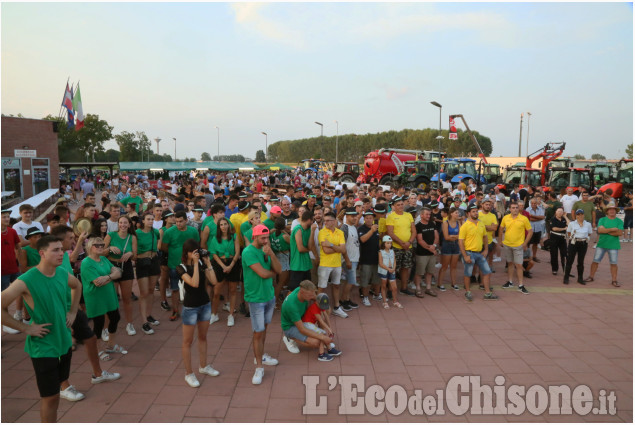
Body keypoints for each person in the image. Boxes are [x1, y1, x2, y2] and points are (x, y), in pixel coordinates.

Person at [1, 235, 82, 422]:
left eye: (62, 249)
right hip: (43, 346)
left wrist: (72, 312)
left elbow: (76, 285)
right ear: (42, 253)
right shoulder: (26, 280)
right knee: (50, 397)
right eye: (56, 250)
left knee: (56, 395)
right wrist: (25, 328)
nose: (61, 253)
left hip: (63, 342)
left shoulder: (61, 272)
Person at [49, 226, 121, 402]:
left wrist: (74, 309)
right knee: (63, 348)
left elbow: (76, 284)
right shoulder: (43, 269)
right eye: (70, 238)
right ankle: (63, 386)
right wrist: (26, 326)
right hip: (57, 310)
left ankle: (98, 374)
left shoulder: (65, 257)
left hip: (71, 309)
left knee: (89, 338)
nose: (73, 241)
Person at [242, 224, 282, 385]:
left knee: (264, 329)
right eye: (263, 238)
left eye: (267, 238)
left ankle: (262, 356)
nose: (266, 241)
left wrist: (271, 254)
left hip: (269, 296)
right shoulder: (248, 252)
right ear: (255, 237)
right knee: (258, 332)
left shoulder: (266, 250)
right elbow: (264, 273)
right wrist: (272, 274)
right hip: (256, 298)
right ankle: (258, 366)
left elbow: (279, 269)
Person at [178, 239, 220, 387]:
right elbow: (194, 283)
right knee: (187, 341)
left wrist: (208, 263)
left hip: (205, 304)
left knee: (203, 337)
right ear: (187, 253)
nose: (196, 254)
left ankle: (203, 366)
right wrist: (196, 264)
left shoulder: (202, 263)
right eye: (193, 251)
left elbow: (214, 281)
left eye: (197, 251)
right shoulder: (181, 267)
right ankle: (188, 373)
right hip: (190, 308)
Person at [81, 237, 128, 359]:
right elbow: (97, 282)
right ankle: (98, 349)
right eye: (97, 245)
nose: (101, 247)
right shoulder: (86, 262)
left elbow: (118, 272)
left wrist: (107, 277)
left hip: (108, 295)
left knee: (115, 317)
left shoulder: (103, 259)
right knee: (99, 324)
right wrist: (112, 276)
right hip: (95, 297)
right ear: (90, 247)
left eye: (102, 245)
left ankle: (111, 345)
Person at [280, 280, 338, 361]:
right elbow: (302, 329)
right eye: (310, 295)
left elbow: (317, 300)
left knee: (325, 310)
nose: (312, 297)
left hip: (302, 320)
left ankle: (323, 339)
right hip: (290, 327)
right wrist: (323, 337)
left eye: (313, 294)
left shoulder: (303, 290)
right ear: (302, 292)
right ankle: (289, 338)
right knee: (316, 342)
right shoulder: (292, 306)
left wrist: (328, 326)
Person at [161, 211, 200, 321]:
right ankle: (175, 310)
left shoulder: (193, 231)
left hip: (189, 265)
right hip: (174, 265)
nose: (178, 224)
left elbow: (197, 245)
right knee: (174, 289)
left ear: (186, 220)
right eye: (176, 221)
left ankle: (192, 310)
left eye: (181, 221)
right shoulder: (169, 232)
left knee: (192, 288)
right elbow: (164, 247)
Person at [104, 216, 137, 336]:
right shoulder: (111, 235)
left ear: (129, 225)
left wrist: (130, 253)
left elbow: (135, 256)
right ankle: (106, 327)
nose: (123, 225)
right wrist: (109, 248)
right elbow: (100, 252)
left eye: (125, 223)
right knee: (111, 299)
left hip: (126, 267)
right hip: (111, 266)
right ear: (118, 224)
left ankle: (130, 323)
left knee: (127, 298)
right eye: (121, 223)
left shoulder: (132, 237)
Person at [458, 205, 498, 302]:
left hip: (479, 253)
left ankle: (487, 293)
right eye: (473, 211)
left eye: (476, 211)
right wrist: (465, 256)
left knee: (487, 272)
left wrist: (486, 250)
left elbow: (485, 237)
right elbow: (460, 242)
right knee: (468, 273)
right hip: (469, 253)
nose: (475, 213)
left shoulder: (481, 224)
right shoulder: (465, 226)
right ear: (468, 213)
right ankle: (468, 292)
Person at [209, 217, 241, 327]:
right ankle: (214, 314)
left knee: (232, 290)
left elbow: (237, 252)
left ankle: (231, 315)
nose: (223, 226)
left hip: (233, 263)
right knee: (217, 291)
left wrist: (231, 265)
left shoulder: (234, 236)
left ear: (229, 225)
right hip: (220, 264)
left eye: (225, 224)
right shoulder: (215, 238)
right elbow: (214, 254)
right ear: (219, 227)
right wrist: (223, 266)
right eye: (221, 225)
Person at [585, 203, 624, 287]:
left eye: (613, 209)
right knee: (595, 261)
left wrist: (606, 230)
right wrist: (613, 230)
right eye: (610, 209)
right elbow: (600, 231)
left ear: (615, 211)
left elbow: (620, 233)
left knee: (613, 263)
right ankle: (591, 276)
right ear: (607, 211)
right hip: (601, 244)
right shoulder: (602, 219)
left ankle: (614, 280)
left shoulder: (619, 221)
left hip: (614, 245)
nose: (612, 211)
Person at [317, 212, 348, 318]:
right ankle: (318, 309)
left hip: (337, 264)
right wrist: (337, 248)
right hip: (325, 264)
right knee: (322, 287)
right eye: (324, 220)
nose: (325, 222)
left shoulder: (340, 232)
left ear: (334, 221)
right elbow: (325, 251)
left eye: (328, 220)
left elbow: (343, 249)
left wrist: (331, 245)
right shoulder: (322, 232)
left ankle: (336, 307)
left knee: (336, 285)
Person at [499, 202, 533, 295]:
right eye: (513, 208)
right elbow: (501, 228)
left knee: (518, 265)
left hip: (518, 245)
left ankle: (521, 285)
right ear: (509, 209)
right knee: (510, 263)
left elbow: (530, 231)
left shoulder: (524, 218)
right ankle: (510, 282)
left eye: (517, 207)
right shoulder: (505, 218)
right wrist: (500, 240)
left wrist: (525, 243)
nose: (515, 209)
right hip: (507, 244)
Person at [135, 213, 161, 335]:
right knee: (144, 292)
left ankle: (149, 315)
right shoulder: (137, 233)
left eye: (152, 219)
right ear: (143, 221)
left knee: (151, 290)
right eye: (148, 219)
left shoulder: (155, 232)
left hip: (154, 261)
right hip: (142, 262)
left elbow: (158, 246)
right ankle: (144, 321)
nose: (151, 221)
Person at [386, 197, 416, 297]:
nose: (400, 206)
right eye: (398, 205)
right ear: (393, 206)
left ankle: (404, 288)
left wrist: (409, 242)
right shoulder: (391, 217)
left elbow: (414, 231)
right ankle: (390, 290)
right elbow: (390, 233)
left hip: (408, 246)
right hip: (396, 247)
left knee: (405, 268)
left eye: (401, 204)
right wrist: (402, 243)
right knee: (393, 268)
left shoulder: (408, 215)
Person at [1, 208, 22, 334]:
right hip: (1, 272)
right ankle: (5, 324)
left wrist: (18, 262)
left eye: (8, 216)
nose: (7, 219)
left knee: (23, 291)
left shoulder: (12, 231)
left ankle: (20, 315)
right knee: (3, 300)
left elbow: (18, 247)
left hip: (14, 269)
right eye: (3, 216)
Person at [339, 208, 361, 311]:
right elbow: (342, 246)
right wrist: (347, 260)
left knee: (349, 281)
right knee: (351, 281)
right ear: (346, 216)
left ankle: (347, 299)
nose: (355, 217)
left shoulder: (353, 227)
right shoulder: (344, 228)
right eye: (352, 216)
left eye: (355, 215)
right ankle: (343, 301)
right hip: (349, 259)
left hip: (354, 258)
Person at [564, 209, 593, 285]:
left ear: (584, 215)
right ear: (576, 215)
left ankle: (580, 278)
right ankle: (566, 277)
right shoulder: (572, 224)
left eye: (581, 214)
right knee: (570, 260)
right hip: (574, 243)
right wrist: (573, 238)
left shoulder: (588, 224)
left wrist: (587, 239)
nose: (580, 216)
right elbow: (569, 233)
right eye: (578, 214)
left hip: (583, 243)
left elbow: (590, 233)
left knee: (581, 261)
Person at [289, 211, 316, 292]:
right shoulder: (298, 229)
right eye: (312, 220)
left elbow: (310, 246)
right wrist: (309, 249)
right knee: (294, 290)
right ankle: (288, 304)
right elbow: (300, 248)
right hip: (297, 265)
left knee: (307, 290)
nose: (313, 223)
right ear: (309, 220)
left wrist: (312, 232)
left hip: (306, 265)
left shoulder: (309, 230)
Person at [414, 208, 438, 298]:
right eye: (427, 214)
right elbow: (420, 240)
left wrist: (434, 246)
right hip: (422, 253)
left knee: (430, 272)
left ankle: (428, 288)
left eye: (429, 214)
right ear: (422, 215)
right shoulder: (418, 226)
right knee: (419, 272)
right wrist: (431, 248)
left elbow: (436, 236)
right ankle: (418, 288)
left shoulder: (432, 223)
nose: (429, 216)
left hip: (432, 252)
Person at [357, 210, 380, 305]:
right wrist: (372, 230)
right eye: (367, 218)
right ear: (364, 219)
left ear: (373, 219)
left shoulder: (377, 228)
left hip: (377, 258)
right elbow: (363, 239)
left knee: (377, 279)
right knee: (365, 279)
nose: (369, 219)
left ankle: (376, 294)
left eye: (371, 218)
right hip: (365, 259)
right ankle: (365, 297)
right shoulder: (361, 229)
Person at [437, 207, 461, 291]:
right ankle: (440, 283)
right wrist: (456, 237)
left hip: (455, 246)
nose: (458, 214)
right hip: (447, 245)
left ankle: (454, 283)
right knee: (444, 266)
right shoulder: (445, 223)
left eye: (458, 213)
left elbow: (461, 236)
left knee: (454, 266)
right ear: (451, 214)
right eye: (456, 213)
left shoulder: (458, 222)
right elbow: (446, 237)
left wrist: (453, 236)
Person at [270, 217, 291, 307]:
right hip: (284, 258)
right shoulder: (285, 236)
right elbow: (293, 242)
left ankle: (276, 298)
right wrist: (285, 231)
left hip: (275, 257)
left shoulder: (272, 234)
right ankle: (274, 302)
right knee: (281, 283)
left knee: (275, 282)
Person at [378, 236, 401, 308]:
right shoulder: (380, 252)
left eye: (390, 243)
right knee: (384, 286)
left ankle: (395, 301)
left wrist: (393, 268)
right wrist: (388, 269)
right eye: (387, 243)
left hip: (391, 270)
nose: (389, 245)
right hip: (384, 271)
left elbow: (394, 260)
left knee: (394, 287)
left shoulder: (392, 251)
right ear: (384, 243)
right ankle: (384, 302)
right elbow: (381, 263)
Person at [549, 207, 569, 276]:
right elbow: (554, 228)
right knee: (554, 254)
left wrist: (565, 217)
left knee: (564, 254)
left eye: (561, 212)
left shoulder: (564, 219)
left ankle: (565, 269)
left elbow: (569, 225)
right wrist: (564, 228)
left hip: (562, 239)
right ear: (556, 212)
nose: (560, 213)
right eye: (558, 211)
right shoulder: (553, 219)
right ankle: (554, 269)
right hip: (554, 238)